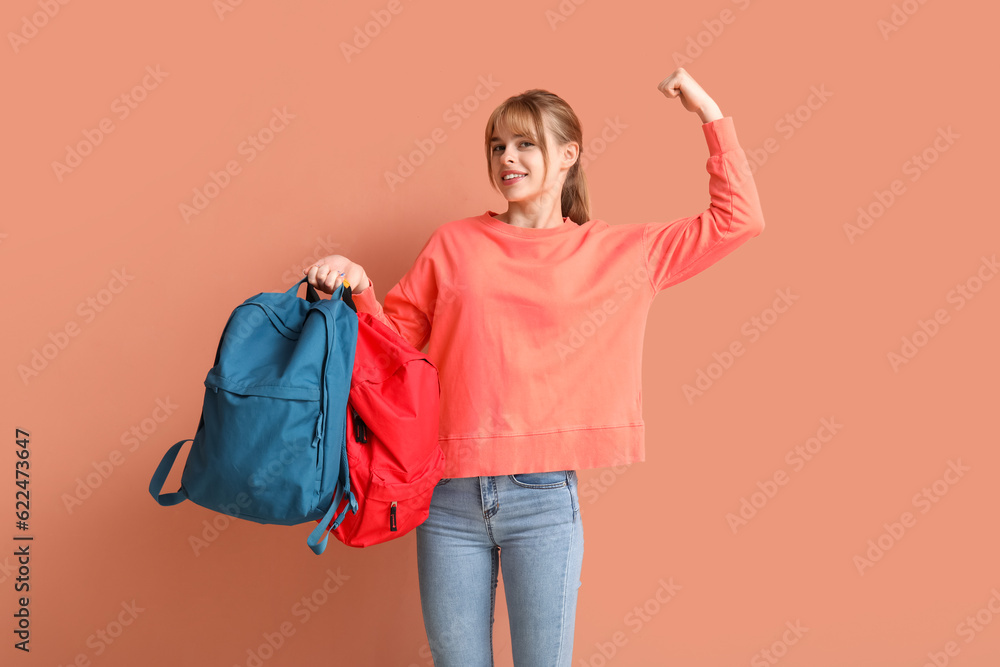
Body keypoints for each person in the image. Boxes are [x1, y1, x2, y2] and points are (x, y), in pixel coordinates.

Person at [305, 68, 765, 666]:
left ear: (568, 154)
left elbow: (739, 220)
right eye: (497, 145)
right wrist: (359, 286)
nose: (507, 158)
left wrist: (708, 112)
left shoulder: (618, 253)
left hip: (542, 499)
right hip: (444, 495)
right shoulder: (453, 245)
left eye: (525, 143)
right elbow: (394, 353)